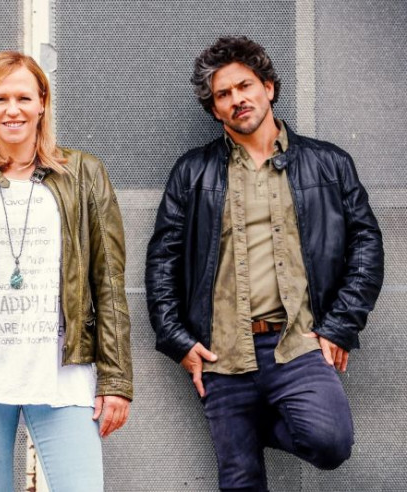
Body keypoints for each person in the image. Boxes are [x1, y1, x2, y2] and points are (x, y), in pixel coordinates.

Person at [145, 36, 384, 491]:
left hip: (297, 343)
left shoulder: (329, 163)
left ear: (268, 88)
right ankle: (240, 425)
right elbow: (162, 262)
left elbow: (366, 245)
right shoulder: (192, 172)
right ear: (214, 109)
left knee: (330, 442)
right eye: (223, 94)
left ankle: (250, 424)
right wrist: (178, 340)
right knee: (240, 480)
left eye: (245, 86)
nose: (237, 99)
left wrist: (339, 325)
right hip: (221, 351)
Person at [0, 50, 132, 491]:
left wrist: (115, 378)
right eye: (0, 99)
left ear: (42, 103)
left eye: (23, 98)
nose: (12, 110)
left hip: (62, 372)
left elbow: (108, 282)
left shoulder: (84, 174)